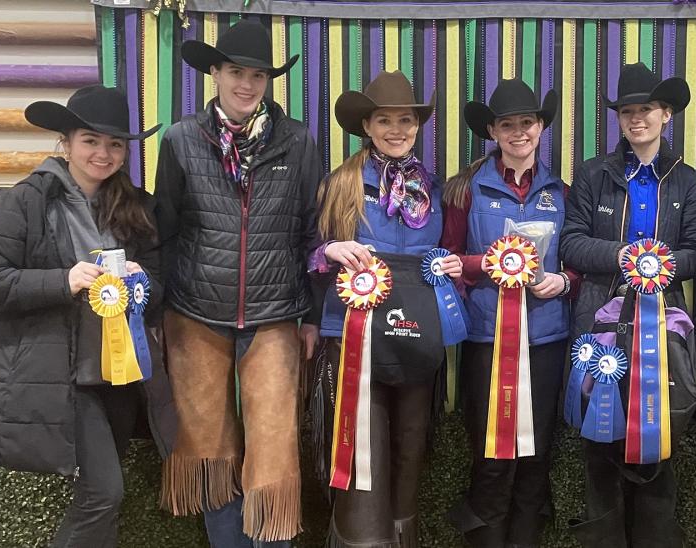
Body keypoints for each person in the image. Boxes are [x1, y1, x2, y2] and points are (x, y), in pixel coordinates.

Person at [154, 19, 323, 546]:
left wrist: (313, 317)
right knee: (209, 446)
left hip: (275, 315)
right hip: (194, 312)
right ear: (214, 74)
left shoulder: (296, 140)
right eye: (235, 72)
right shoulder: (181, 139)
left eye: (257, 75)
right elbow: (166, 227)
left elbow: (311, 230)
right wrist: (161, 309)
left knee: (273, 450)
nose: (246, 85)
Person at [0, 85, 172, 547]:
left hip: (119, 376)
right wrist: (63, 281)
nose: (103, 154)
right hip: (62, 373)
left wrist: (141, 280)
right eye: (90, 140)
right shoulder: (22, 203)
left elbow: (162, 284)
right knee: (104, 492)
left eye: (114, 145)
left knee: (100, 494)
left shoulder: (138, 207)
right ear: (66, 143)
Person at [310, 70, 463, 548]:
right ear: (367, 126)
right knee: (363, 449)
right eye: (385, 120)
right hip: (354, 335)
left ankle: (400, 536)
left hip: (415, 334)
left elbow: (447, 250)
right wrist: (327, 252)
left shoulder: (437, 190)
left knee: (410, 445)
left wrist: (452, 266)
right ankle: (361, 539)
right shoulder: (342, 184)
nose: (396, 129)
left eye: (406, 120)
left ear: (418, 126)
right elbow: (306, 251)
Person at [560, 62, 696, 547]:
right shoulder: (591, 175)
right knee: (599, 444)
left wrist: (660, 263)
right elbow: (571, 243)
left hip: (663, 327)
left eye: (645, 109)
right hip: (598, 322)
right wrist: (624, 257)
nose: (635, 119)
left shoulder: (687, 181)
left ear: (666, 114)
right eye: (627, 111)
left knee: (659, 442)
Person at [441, 78, 573, 548]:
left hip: (546, 340)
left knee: (536, 453)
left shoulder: (562, 192)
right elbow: (447, 259)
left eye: (528, 123)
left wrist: (564, 280)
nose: (519, 132)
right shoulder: (464, 189)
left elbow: (574, 260)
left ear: (540, 128)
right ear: (493, 132)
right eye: (507, 125)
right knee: (491, 452)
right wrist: (488, 264)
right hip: (485, 339)